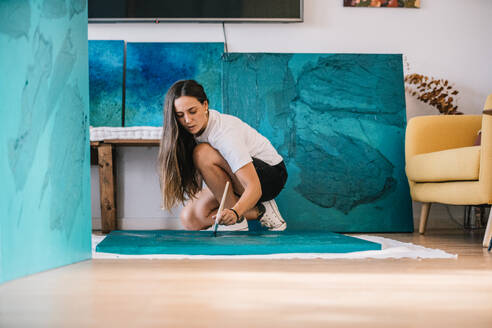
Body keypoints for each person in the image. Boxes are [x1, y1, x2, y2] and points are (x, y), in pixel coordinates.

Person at [158, 80, 287, 231]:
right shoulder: (187, 132)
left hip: (268, 178)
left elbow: (254, 187)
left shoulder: (224, 133)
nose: (187, 120)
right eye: (180, 115)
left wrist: (235, 211)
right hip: (241, 178)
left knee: (202, 153)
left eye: (192, 111)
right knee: (190, 218)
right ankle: (261, 211)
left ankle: (238, 220)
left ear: (205, 105)